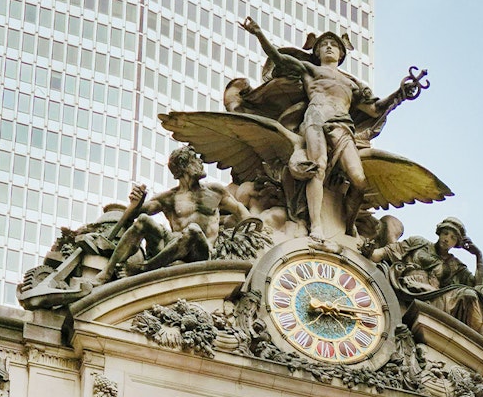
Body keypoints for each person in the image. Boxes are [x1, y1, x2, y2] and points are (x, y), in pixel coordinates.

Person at [238, 17, 409, 240]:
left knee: (358, 180)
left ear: (341, 54)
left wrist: (400, 94)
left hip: (343, 127)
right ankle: (316, 225)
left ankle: (348, 224)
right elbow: (279, 58)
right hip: (315, 120)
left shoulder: (352, 84)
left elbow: (376, 109)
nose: (329, 47)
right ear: (317, 52)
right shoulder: (310, 70)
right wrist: (259, 32)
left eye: (334, 45)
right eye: (324, 45)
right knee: (318, 168)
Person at [94, 145, 250, 283]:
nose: (201, 163)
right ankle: (106, 272)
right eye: (195, 159)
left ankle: (143, 269)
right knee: (143, 220)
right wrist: (137, 202)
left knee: (193, 230)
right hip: (173, 246)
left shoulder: (215, 191)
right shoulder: (168, 198)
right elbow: (135, 215)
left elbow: (239, 209)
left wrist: (252, 226)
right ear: (184, 166)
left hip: (201, 251)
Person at [365, 217, 483, 334]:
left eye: (452, 238)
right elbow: (388, 251)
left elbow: (478, 287)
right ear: (439, 232)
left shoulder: (454, 265)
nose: (447, 239)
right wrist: (370, 252)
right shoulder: (419, 243)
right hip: (408, 285)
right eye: (445, 233)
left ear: (455, 243)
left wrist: (478, 256)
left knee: (471, 295)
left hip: (435, 297)